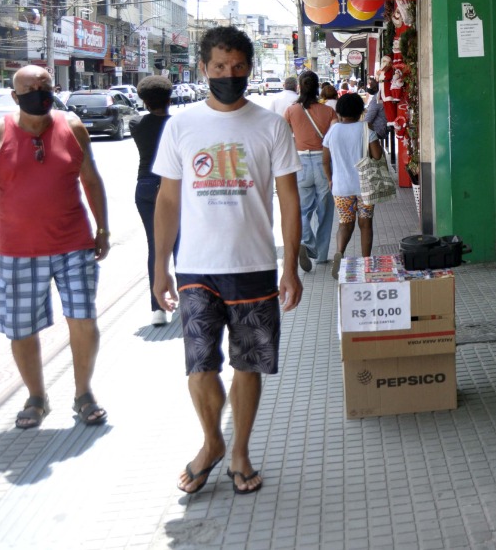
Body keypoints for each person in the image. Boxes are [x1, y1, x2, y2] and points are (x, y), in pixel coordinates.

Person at [151, 26, 303, 496]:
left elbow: (289, 199)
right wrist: (160, 268)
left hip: (254, 264)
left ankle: (239, 451)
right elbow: (168, 201)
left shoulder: (271, 125)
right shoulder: (180, 125)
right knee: (199, 366)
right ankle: (212, 442)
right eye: (219, 67)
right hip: (196, 267)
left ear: (249, 70)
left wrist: (290, 265)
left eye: (237, 68)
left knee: (248, 364)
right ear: (203, 68)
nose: (228, 75)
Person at [0, 65, 111, 429]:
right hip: (18, 250)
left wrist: (103, 228)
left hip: (74, 244)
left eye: (44, 86)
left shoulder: (72, 127)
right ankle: (36, 396)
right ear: (15, 97)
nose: (38, 92)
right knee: (21, 328)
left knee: (83, 319)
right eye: (29, 88)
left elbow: (91, 180)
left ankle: (83, 394)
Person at [133, 75, 179, 327]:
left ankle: (157, 309)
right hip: (174, 185)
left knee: (156, 246)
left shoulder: (136, 124)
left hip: (146, 186)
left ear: (144, 101)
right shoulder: (177, 124)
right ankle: (189, 298)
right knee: (182, 243)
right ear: (170, 99)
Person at [283, 71, 337, 274]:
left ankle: (307, 242)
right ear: (317, 88)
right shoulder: (328, 111)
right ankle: (321, 255)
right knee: (325, 210)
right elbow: (334, 137)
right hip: (324, 163)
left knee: (302, 209)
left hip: (301, 163)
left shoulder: (291, 111)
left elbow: (283, 135)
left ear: (299, 87)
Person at [322, 94, 381, 278]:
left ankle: (340, 252)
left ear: (339, 111)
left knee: (344, 224)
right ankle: (365, 261)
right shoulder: (365, 129)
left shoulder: (333, 131)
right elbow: (377, 155)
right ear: (360, 111)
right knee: (366, 224)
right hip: (364, 186)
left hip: (341, 186)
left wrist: (330, 179)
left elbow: (325, 161)